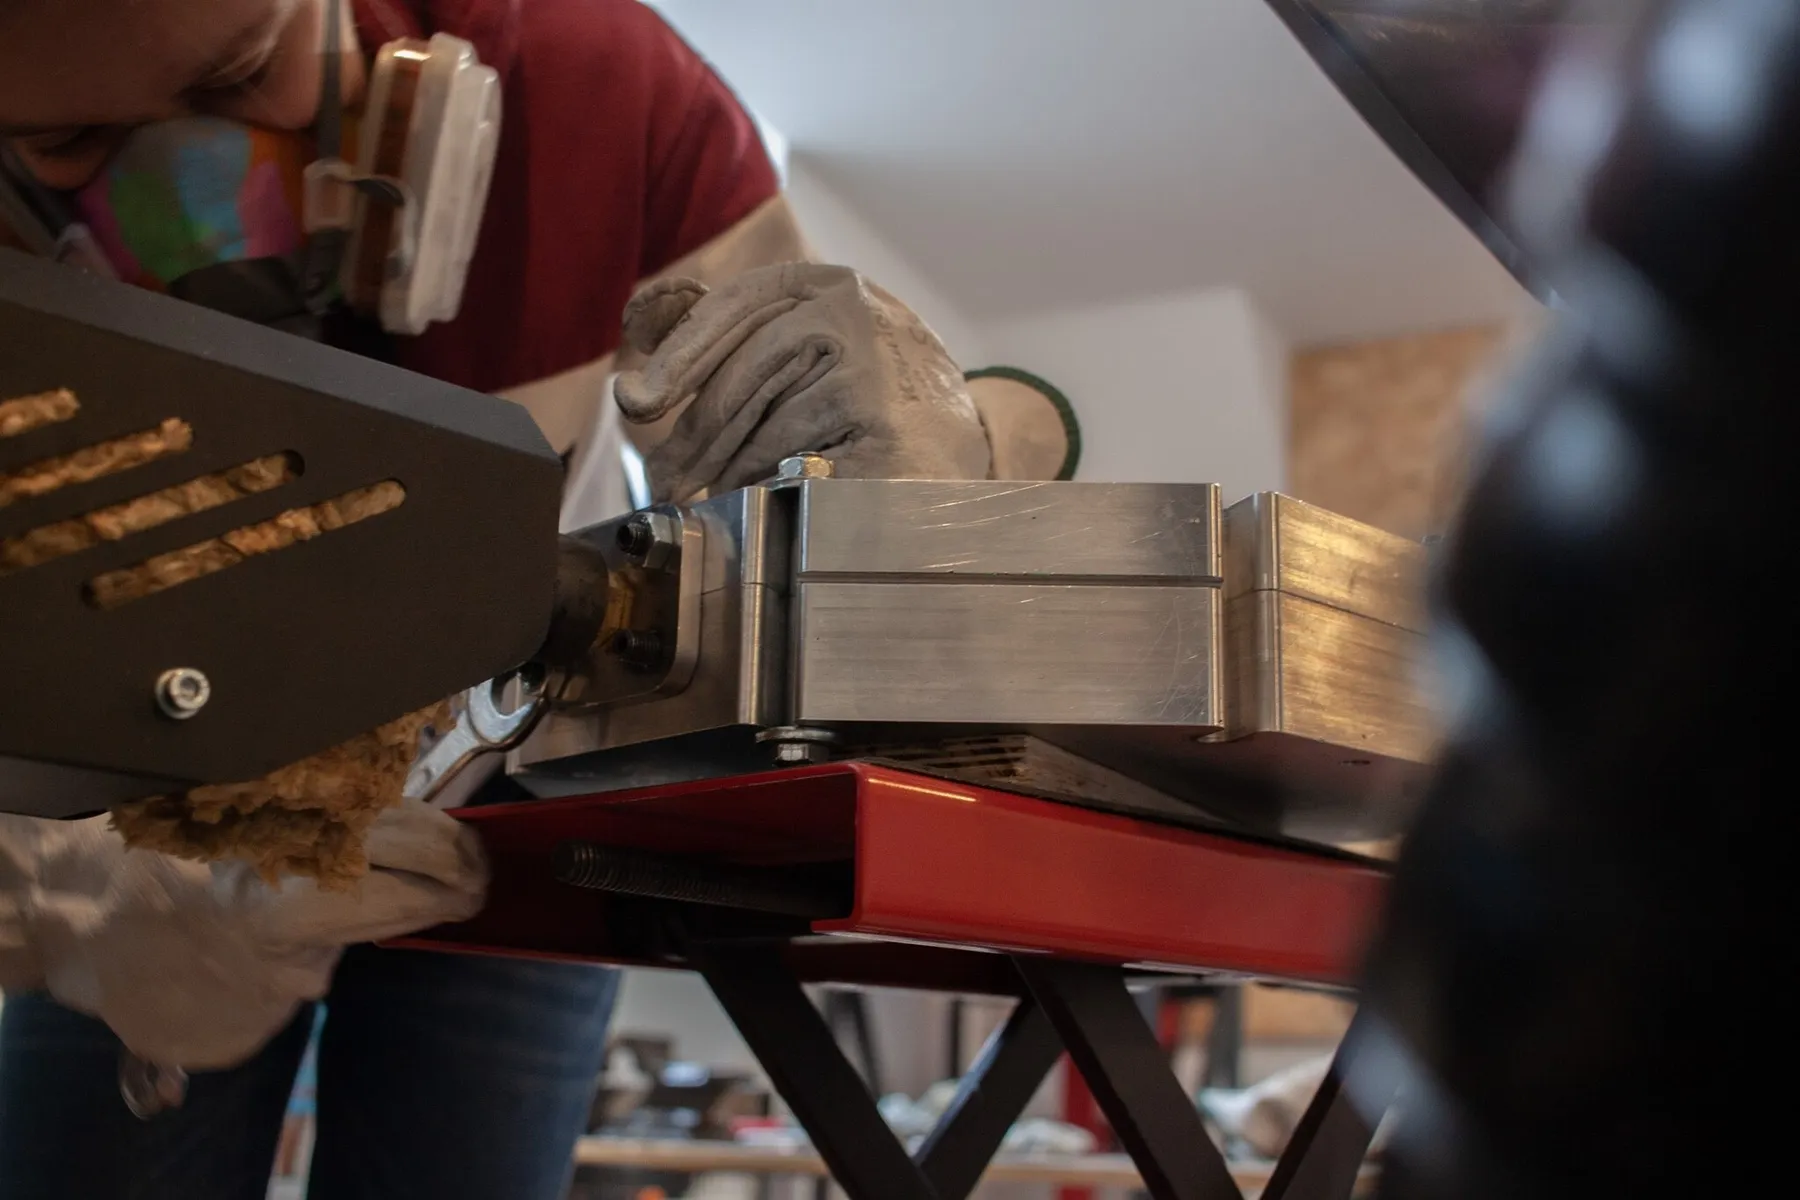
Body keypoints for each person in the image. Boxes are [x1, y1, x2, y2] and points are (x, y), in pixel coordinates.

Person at [0, 1, 1078, 1196]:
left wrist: (912, 465)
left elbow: (820, 445)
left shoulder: (601, 92)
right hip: (134, 830)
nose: (198, 177)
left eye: (246, 72)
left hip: (501, 797)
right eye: (74, 142)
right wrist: (50, 894)